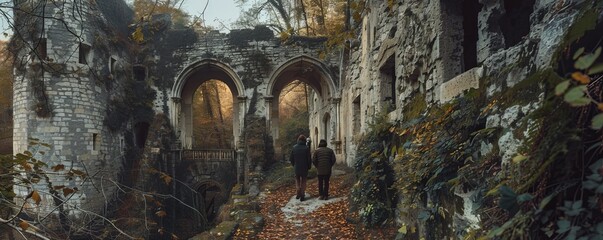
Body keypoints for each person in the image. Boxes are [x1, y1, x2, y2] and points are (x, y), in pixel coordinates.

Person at [290, 134, 312, 201]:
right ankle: (302, 194)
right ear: (305, 140)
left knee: (297, 180)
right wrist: (309, 166)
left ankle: (298, 192)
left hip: (297, 167)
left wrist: (294, 164)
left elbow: (291, 158)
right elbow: (309, 159)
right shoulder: (306, 148)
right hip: (304, 167)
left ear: (298, 140)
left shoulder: (294, 147)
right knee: (304, 180)